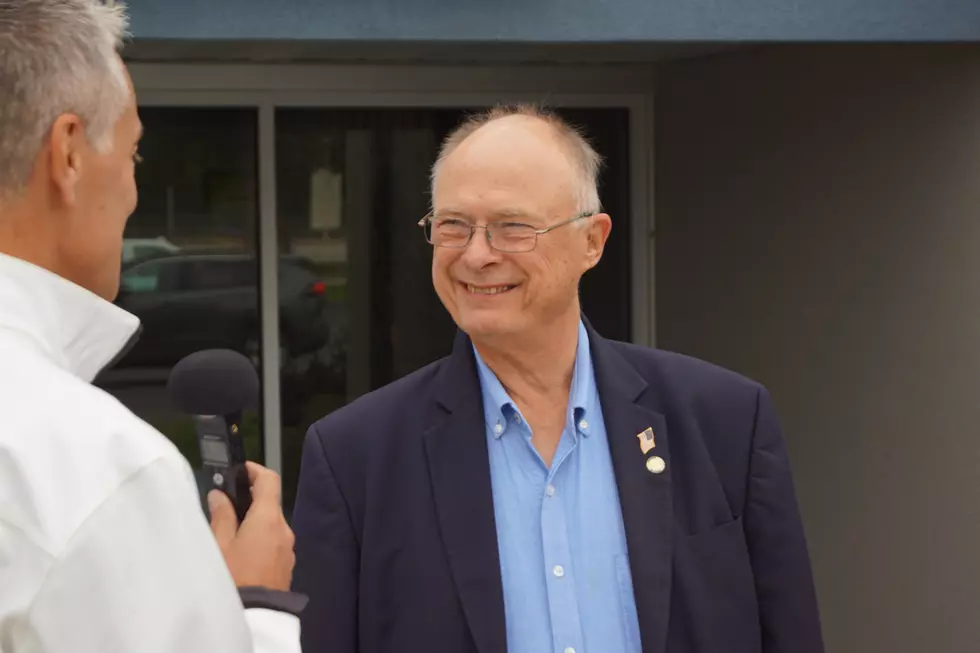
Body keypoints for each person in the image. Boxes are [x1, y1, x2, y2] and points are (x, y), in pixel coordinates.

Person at [291, 103, 825, 653]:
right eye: (453, 226)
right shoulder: (356, 457)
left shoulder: (724, 422)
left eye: (511, 228)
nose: (476, 255)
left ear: (592, 241)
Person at [0, 1, 304, 651]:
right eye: (135, 153)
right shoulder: (93, 465)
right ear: (70, 154)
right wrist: (255, 606)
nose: (135, 192)